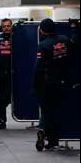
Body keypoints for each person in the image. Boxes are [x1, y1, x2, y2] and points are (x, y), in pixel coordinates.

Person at [33, 18, 69, 151]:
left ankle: (42, 129)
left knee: (47, 110)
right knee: (56, 112)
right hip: (62, 82)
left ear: (42, 30)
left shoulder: (43, 45)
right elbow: (74, 42)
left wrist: (35, 87)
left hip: (46, 83)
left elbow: (38, 69)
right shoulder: (64, 40)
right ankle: (53, 141)